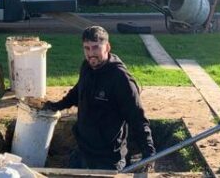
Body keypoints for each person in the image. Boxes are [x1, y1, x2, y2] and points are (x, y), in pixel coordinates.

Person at [43, 26, 155, 170]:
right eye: (87, 48)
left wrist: (149, 152)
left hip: (109, 157)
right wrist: (58, 105)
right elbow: (78, 91)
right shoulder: (87, 67)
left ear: (107, 47)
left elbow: (137, 118)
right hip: (83, 150)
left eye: (95, 48)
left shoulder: (120, 79)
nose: (91, 54)